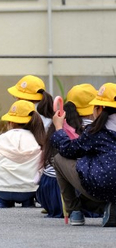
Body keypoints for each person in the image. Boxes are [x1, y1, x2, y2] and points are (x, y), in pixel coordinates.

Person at [52, 82, 116, 227]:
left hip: (101, 186)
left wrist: (58, 127)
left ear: (99, 108)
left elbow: (68, 149)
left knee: (58, 159)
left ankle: (75, 212)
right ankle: (111, 206)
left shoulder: (95, 130)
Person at [38, 84, 98, 218]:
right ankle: (77, 210)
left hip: (48, 192)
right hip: (74, 192)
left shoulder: (57, 124)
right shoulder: (92, 129)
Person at [0, 100, 45, 208]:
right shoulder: (38, 140)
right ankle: (28, 202)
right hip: (28, 190)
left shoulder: (2, 139)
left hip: (1, 189)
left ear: (11, 123)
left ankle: (3, 201)